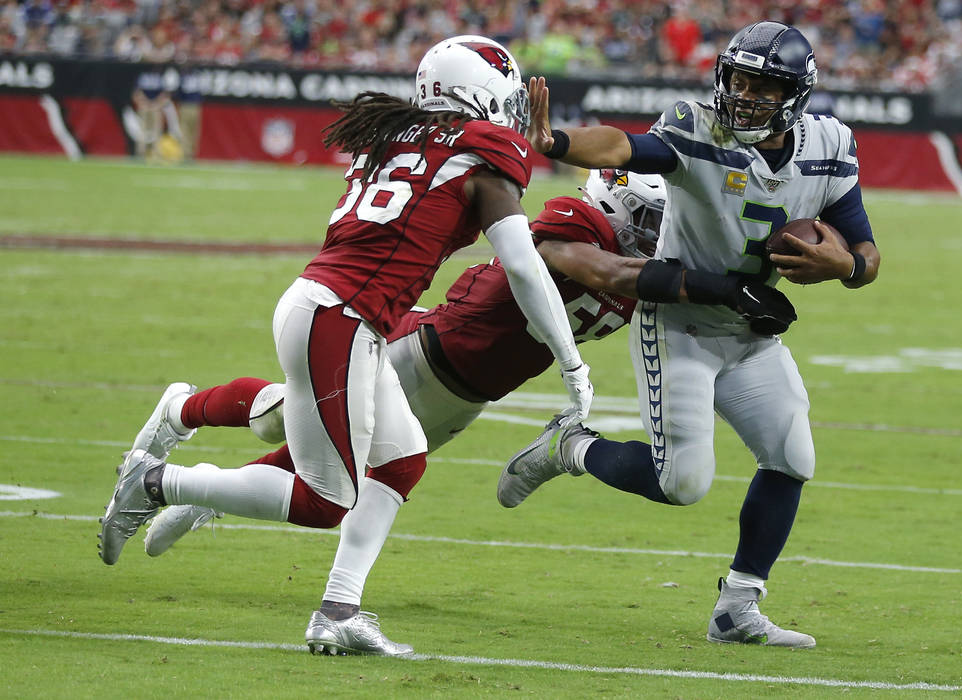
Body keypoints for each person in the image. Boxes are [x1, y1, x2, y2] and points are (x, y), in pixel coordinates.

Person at [98, 35, 594, 655]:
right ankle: (158, 484)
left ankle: (339, 609)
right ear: (482, 92)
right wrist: (572, 363)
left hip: (336, 308)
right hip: (342, 316)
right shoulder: (481, 154)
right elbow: (523, 268)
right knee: (322, 500)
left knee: (402, 457)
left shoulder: (399, 137)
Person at [498, 21, 881, 649]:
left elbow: (863, 247)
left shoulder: (830, 145)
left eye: (764, 85)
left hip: (750, 331)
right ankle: (571, 446)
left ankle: (737, 607)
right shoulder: (698, 126)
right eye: (740, 79)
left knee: (792, 457)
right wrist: (557, 141)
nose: (747, 95)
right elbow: (625, 148)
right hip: (679, 324)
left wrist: (847, 266)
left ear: (797, 94)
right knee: (682, 482)